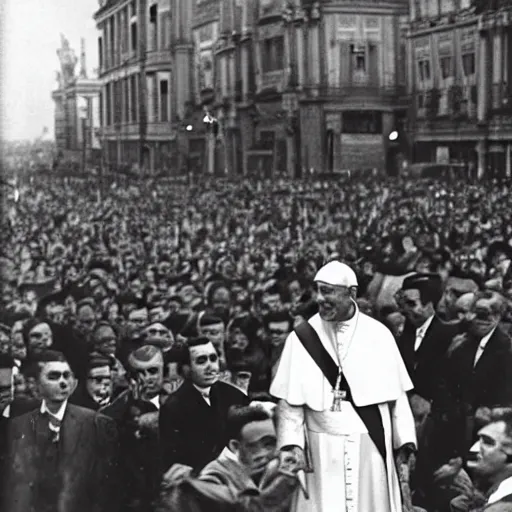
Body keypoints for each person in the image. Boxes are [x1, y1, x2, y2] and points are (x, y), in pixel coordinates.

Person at [270, 260, 417, 512]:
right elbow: (290, 403)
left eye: (328, 291)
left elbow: (397, 396)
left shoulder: (379, 335)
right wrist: (291, 444)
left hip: (371, 446)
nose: (319, 298)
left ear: (351, 294)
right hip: (320, 449)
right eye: (318, 290)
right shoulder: (301, 339)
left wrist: (404, 442)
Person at [1, 350, 120, 512]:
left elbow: (106, 488)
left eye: (66, 376)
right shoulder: (18, 424)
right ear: (36, 384)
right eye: (54, 377)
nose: (62, 382)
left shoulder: (97, 423)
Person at [158, 404, 301, 512]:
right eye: (253, 446)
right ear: (235, 446)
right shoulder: (216, 475)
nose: (264, 454)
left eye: (270, 444)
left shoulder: (271, 470)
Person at [159, 337, 249, 476]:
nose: (210, 366)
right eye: (201, 361)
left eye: (213, 359)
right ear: (186, 369)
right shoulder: (174, 407)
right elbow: (177, 458)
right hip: (203, 478)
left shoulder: (234, 395)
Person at [101, 344, 165, 512]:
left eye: (152, 371)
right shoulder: (116, 410)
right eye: (139, 373)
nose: (146, 378)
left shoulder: (179, 400)